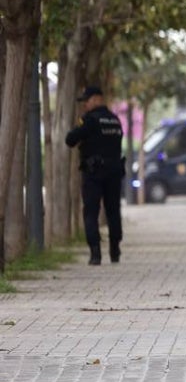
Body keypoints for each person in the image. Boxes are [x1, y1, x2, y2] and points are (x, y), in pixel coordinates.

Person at [65, 86, 126, 265]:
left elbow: (70, 139)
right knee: (113, 211)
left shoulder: (90, 120)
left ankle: (95, 253)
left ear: (97, 99)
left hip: (94, 172)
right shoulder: (115, 120)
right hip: (114, 171)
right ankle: (115, 249)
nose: (85, 104)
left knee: (91, 211)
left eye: (87, 100)